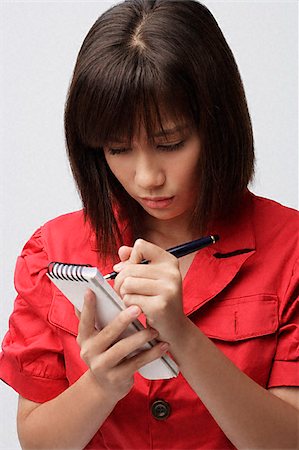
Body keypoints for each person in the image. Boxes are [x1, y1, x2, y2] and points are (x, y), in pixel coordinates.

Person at [0, 0, 298, 449]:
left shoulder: (289, 247)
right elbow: (36, 442)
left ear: (219, 126)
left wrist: (182, 336)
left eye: (170, 143)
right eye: (117, 149)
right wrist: (100, 385)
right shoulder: (52, 250)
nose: (147, 178)